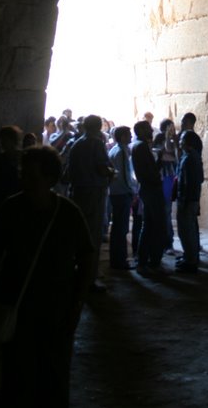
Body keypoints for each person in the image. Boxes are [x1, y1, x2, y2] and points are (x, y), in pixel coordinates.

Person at [0, 145, 94, 408]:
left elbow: (86, 259)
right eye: (22, 172)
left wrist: (75, 307)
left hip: (54, 313)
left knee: (52, 381)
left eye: (30, 174)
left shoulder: (67, 213)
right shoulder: (13, 208)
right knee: (17, 381)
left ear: (49, 177)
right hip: (19, 310)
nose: (23, 178)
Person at [67, 114, 113, 292]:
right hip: (94, 191)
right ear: (98, 126)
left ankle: (76, 272)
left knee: (79, 234)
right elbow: (102, 167)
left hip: (78, 191)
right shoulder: (96, 143)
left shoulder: (77, 144)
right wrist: (110, 172)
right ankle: (89, 278)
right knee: (92, 235)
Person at [130, 120, 167, 273]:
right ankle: (153, 261)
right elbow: (149, 172)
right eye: (148, 129)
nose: (152, 131)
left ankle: (144, 260)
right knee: (157, 226)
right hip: (151, 189)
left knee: (149, 225)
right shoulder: (141, 147)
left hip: (148, 188)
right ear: (141, 131)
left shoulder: (139, 145)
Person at [175, 129, 204, 273]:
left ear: (187, 143)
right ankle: (190, 256)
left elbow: (190, 183)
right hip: (190, 199)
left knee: (186, 231)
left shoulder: (188, 159)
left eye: (181, 140)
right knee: (189, 230)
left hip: (187, 199)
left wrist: (186, 201)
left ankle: (190, 261)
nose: (179, 142)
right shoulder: (193, 156)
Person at [108, 126, 136, 270]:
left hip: (115, 192)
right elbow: (125, 175)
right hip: (122, 193)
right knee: (122, 228)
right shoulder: (122, 152)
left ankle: (116, 259)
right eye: (129, 134)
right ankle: (120, 261)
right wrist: (132, 191)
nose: (131, 136)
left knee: (117, 228)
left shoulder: (114, 150)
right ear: (123, 137)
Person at [152, 118, 179, 253]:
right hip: (164, 177)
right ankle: (165, 242)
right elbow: (163, 153)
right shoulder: (160, 139)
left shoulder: (175, 139)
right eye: (171, 127)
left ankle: (168, 242)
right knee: (164, 211)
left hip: (169, 177)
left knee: (166, 210)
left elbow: (173, 154)